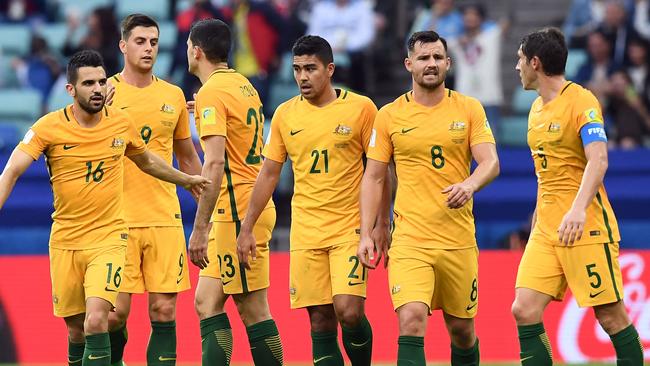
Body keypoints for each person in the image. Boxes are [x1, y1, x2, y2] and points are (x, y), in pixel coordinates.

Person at [0, 50, 208, 366]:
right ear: (71, 90)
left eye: (100, 82)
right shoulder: (48, 128)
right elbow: (12, 171)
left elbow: (147, 161)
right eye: (88, 83)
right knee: (76, 332)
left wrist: (186, 179)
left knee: (97, 320)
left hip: (109, 240)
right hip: (66, 241)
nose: (97, 89)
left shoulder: (121, 123)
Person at [237, 35, 388, 366]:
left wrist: (380, 224)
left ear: (329, 69)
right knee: (320, 319)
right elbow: (268, 174)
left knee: (348, 311)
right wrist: (247, 227)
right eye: (296, 69)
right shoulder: (285, 115)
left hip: (349, 228)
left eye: (311, 68)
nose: (302, 77)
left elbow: (380, 171)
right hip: (306, 232)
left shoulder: (361, 109)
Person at [358, 30, 499, 365]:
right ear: (409, 65)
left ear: (448, 63)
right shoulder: (389, 115)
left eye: (437, 57)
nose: (431, 64)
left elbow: (491, 162)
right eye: (423, 58)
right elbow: (375, 176)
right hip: (410, 240)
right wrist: (368, 231)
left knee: (462, 331)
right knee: (411, 320)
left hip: (457, 240)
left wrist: (469, 185)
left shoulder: (468, 109)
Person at [512, 27, 644, 365]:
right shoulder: (535, 111)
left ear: (535, 63)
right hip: (547, 230)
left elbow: (598, 159)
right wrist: (538, 215)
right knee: (524, 310)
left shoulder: (582, 100)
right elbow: (547, 173)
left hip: (585, 227)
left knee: (610, 317)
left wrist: (578, 210)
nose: (517, 67)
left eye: (520, 60)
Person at [105, 14, 203, 366]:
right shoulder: (105, 94)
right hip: (117, 219)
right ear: (123, 45)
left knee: (163, 310)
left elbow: (187, 156)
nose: (148, 49)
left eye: (154, 42)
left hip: (163, 216)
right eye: (140, 41)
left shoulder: (172, 95)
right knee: (115, 314)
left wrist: (206, 199)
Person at [186, 19, 283, 366]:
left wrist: (199, 228)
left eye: (187, 46)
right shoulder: (242, 85)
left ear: (196, 51)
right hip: (239, 205)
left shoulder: (212, 92)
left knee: (253, 309)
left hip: (239, 210)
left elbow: (213, 165)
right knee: (206, 303)